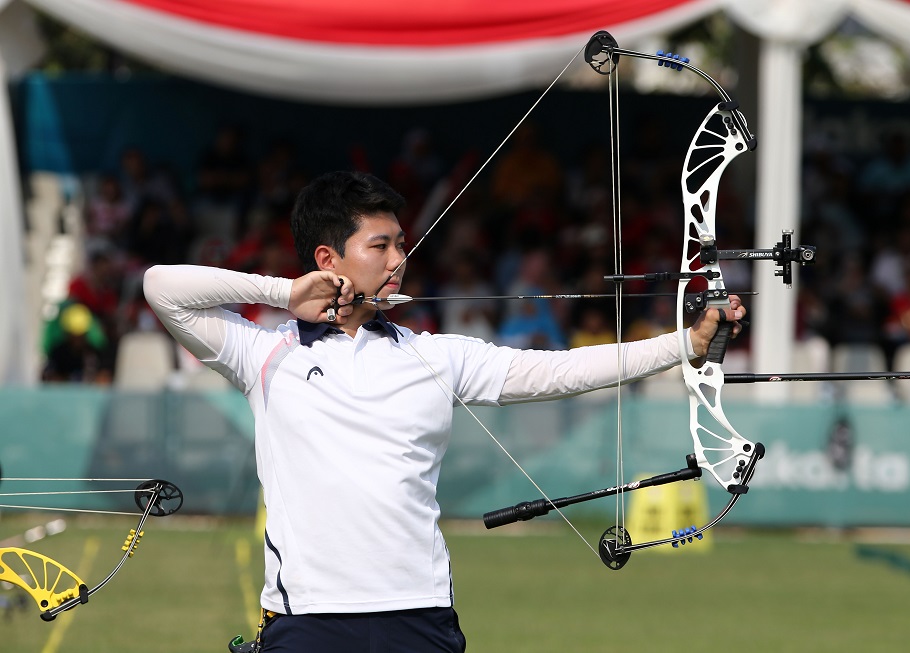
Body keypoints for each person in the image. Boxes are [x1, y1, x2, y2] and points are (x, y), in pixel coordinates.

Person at [143, 171, 743, 652]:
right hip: (310, 618)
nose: (398, 259)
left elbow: (559, 373)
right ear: (328, 259)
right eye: (380, 245)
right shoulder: (263, 354)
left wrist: (685, 345)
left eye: (400, 243)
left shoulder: (434, 355)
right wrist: (283, 292)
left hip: (418, 614)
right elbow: (160, 286)